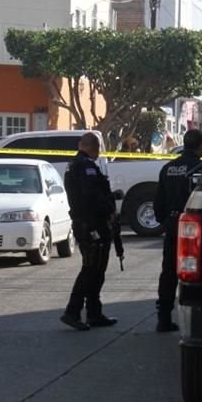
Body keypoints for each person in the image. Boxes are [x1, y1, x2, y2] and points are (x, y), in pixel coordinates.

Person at [60, 133, 118, 331]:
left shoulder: (76, 165)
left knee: (97, 270)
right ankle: (72, 311)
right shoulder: (86, 167)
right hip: (91, 224)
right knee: (91, 269)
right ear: (96, 147)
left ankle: (94, 313)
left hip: (86, 223)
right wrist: (108, 209)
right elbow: (91, 196)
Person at [152, 129, 202, 333]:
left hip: (173, 224)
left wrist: (164, 221)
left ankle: (163, 318)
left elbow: (158, 200)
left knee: (168, 273)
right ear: (200, 146)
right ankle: (197, 318)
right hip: (195, 227)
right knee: (195, 272)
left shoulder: (168, 168)